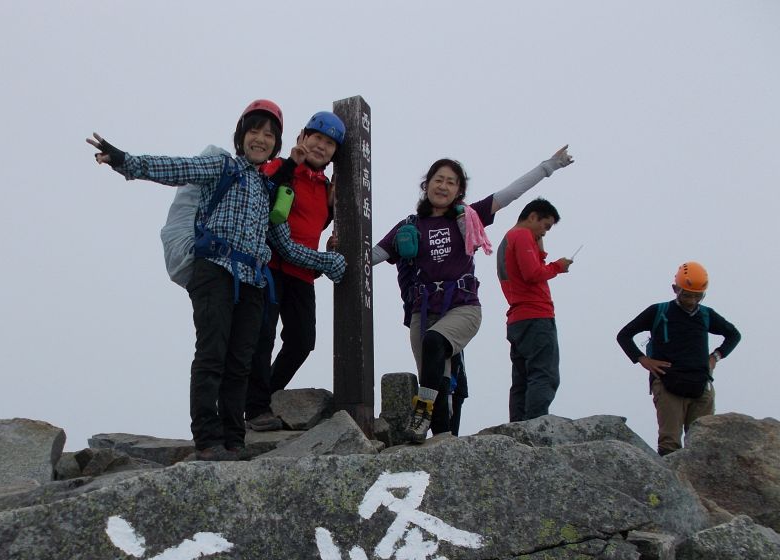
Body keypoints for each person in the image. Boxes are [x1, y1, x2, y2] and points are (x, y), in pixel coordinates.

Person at [86, 100, 346, 461]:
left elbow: (283, 242)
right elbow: (178, 168)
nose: (261, 139)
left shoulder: (269, 187)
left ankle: (234, 440)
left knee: (240, 361)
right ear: (241, 134)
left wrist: (325, 260)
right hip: (215, 270)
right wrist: (124, 161)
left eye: (269, 135)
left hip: (253, 280)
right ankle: (208, 439)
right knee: (213, 354)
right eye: (255, 131)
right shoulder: (222, 164)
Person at [372, 147, 575, 442]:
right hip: (423, 310)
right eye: (438, 179)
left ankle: (420, 411)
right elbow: (375, 254)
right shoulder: (409, 226)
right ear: (426, 185)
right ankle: (441, 437)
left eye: (451, 182)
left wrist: (549, 166)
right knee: (436, 375)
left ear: (459, 191)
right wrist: (338, 256)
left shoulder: (469, 216)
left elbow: (510, 194)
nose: (443, 186)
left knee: (434, 342)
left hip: (463, 307)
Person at [245, 111, 345, 431]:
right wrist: (323, 262)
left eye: (330, 143)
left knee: (302, 341)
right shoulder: (280, 169)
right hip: (269, 268)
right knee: (263, 337)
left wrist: (330, 246)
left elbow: (314, 229)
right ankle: (256, 407)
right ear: (303, 136)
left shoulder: (326, 189)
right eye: (317, 137)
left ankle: (266, 396)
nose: (321, 146)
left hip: (302, 276)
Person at [616, 261, 740, 456]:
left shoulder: (706, 315)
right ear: (675, 289)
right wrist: (642, 359)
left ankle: (697, 485)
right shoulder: (659, 311)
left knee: (702, 443)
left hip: (701, 385)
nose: (692, 300)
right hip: (667, 383)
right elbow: (624, 335)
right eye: (687, 294)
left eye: (697, 296)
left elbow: (734, 335)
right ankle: (670, 485)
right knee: (669, 444)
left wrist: (715, 356)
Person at [496, 197, 571, 422]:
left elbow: (528, 268)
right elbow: (532, 273)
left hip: (518, 318)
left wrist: (540, 249)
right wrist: (558, 266)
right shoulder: (522, 235)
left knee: (521, 379)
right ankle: (536, 427)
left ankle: (518, 428)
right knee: (543, 375)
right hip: (536, 316)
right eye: (545, 226)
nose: (545, 232)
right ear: (532, 217)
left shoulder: (509, 239)